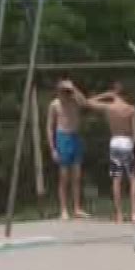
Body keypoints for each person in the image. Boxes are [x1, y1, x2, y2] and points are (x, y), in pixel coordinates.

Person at [85, 80, 135, 224]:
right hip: (127, 142)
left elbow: (88, 102)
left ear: (114, 93)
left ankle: (119, 214)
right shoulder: (130, 109)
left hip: (115, 142)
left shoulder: (109, 107)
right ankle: (134, 212)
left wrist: (104, 95)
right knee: (133, 178)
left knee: (117, 178)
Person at [47, 78, 90, 220]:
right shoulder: (55, 104)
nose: (65, 94)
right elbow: (49, 127)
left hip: (75, 135)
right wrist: (53, 148)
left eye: (67, 91)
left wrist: (74, 87)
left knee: (76, 176)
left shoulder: (74, 101)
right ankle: (64, 209)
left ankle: (77, 208)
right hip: (62, 137)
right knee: (64, 176)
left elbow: (85, 103)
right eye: (63, 91)